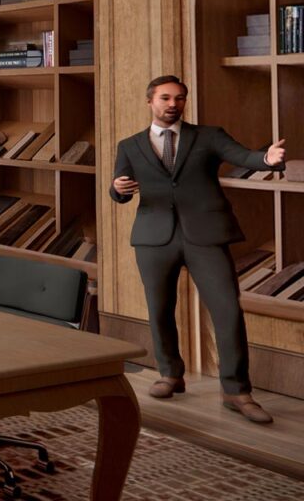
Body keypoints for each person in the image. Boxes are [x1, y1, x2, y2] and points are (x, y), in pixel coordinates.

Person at [110, 75, 285, 424]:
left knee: (227, 310)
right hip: (153, 237)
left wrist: (267, 159)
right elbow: (120, 190)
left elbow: (242, 156)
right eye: (165, 98)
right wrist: (117, 187)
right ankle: (170, 374)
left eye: (179, 98)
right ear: (150, 101)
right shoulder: (129, 145)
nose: (172, 104)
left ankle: (236, 391)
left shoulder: (209, 136)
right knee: (160, 309)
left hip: (206, 235)